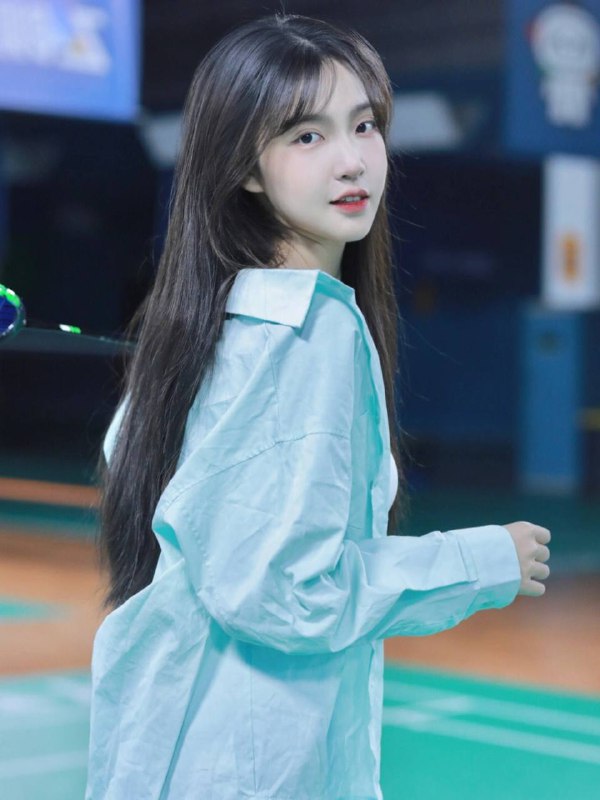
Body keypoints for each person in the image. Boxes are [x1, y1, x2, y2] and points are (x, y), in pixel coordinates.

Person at [85, 13, 551, 800]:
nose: (352, 159)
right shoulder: (306, 333)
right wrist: (481, 560)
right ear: (246, 168)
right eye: (307, 135)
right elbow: (285, 592)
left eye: (364, 125)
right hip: (250, 770)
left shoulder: (213, 321)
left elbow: (132, 460)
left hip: (160, 752)